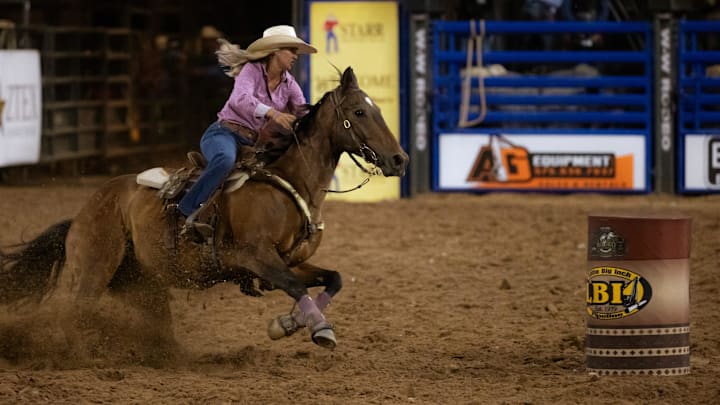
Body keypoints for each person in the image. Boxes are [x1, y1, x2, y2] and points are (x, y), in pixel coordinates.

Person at [177, 25, 317, 238]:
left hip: (252, 144)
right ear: (276, 51)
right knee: (225, 159)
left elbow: (302, 110)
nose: (295, 55)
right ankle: (186, 210)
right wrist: (273, 113)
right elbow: (239, 100)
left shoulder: (290, 84)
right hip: (223, 133)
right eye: (292, 49)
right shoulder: (251, 70)